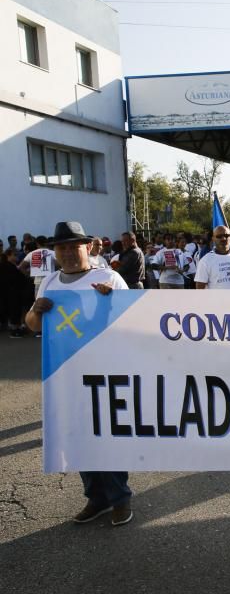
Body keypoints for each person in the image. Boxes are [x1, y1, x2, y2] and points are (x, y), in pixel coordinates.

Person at [25, 221, 133, 526]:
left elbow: (132, 320)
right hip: (65, 373)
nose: (69, 252)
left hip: (105, 371)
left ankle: (119, 498)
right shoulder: (49, 283)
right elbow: (32, 324)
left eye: (75, 246)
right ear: (55, 252)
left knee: (106, 433)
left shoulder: (108, 277)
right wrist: (36, 312)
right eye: (62, 247)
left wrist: (113, 302)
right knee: (79, 435)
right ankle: (96, 498)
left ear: (88, 247)